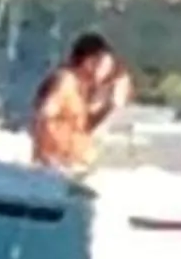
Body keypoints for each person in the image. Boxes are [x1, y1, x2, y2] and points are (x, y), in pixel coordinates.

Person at [31, 31, 132, 171]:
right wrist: (47, 159)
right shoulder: (65, 82)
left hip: (75, 165)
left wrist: (109, 106)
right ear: (90, 62)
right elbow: (43, 117)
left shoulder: (82, 88)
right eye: (106, 65)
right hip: (57, 167)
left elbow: (83, 127)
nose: (108, 72)